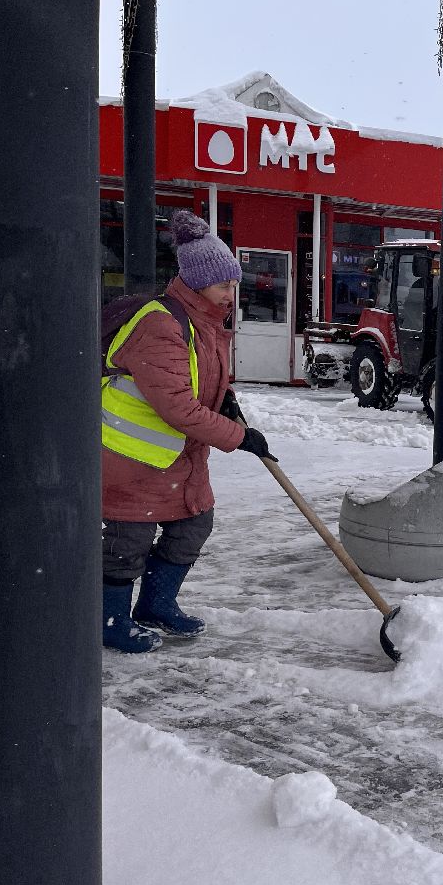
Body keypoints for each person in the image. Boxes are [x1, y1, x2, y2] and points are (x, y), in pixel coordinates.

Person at [101, 209, 275, 653]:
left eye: (235, 283)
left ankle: (156, 605)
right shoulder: (161, 324)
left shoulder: (207, 323)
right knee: (128, 542)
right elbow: (176, 405)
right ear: (197, 282)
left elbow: (203, 379)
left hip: (178, 456)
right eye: (224, 285)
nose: (232, 293)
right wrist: (239, 437)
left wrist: (226, 399)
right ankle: (110, 620)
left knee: (194, 524)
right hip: (129, 457)